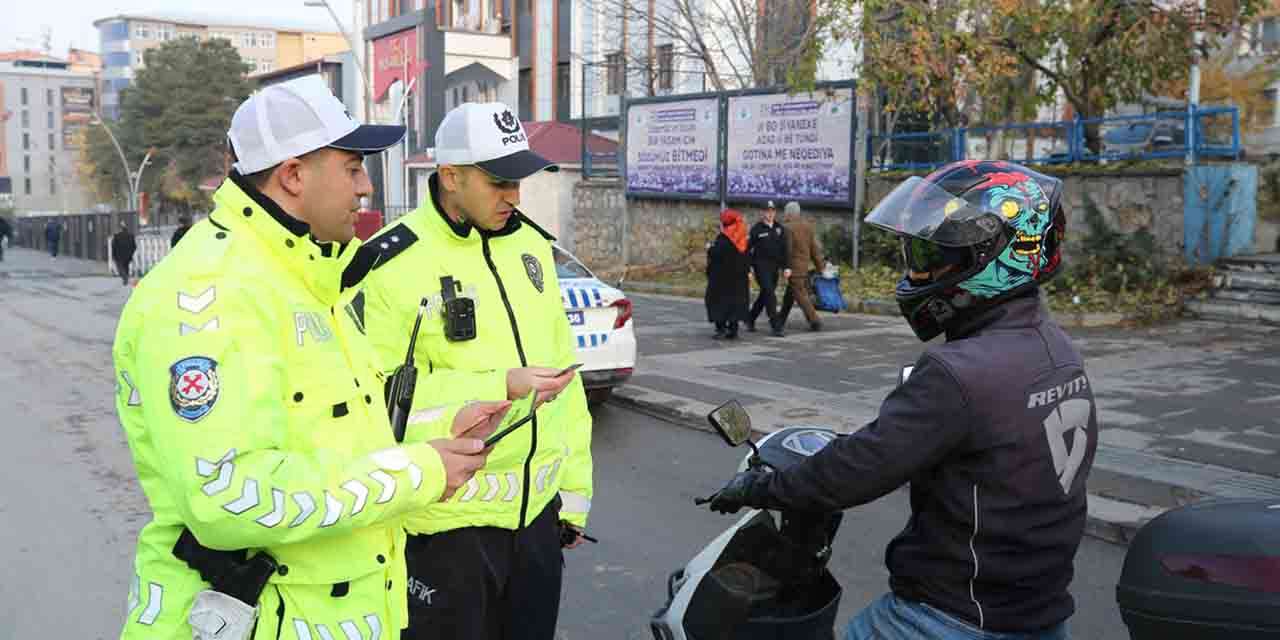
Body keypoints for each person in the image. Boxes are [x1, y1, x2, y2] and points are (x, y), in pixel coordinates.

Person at [112, 75, 510, 640]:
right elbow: (228, 494)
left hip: (328, 614)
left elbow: (330, 437)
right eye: (351, 168)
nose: (366, 187)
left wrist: (436, 440)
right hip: (258, 618)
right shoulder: (212, 294)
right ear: (293, 174)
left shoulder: (305, 278)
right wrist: (417, 472)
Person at [708, 161, 1097, 640]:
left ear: (991, 257)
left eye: (935, 255)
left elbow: (857, 471)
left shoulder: (960, 373)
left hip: (951, 618)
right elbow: (947, 442)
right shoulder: (1055, 349)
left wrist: (760, 489)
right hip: (1038, 612)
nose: (919, 271)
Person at [359, 101, 591, 640]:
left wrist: (574, 495)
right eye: (498, 181)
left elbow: (566, 381)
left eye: (520, 180)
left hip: (536, 524)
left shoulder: (531, 247)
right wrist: (495, 386)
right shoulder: (389, 264)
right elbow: (373, 401)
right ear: (450, 177)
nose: (514, 195)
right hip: (446, 532)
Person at [774, 201, 825, 335]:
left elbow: (787, 250)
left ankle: (815, 320)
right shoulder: (808, 227)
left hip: (793, 268)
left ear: (789, 213)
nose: (784, 215)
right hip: (804, 268)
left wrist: (784, 267)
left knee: (801, 295)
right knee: (790, 295)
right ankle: (780, 319)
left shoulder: (787, 228)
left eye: (785, 213)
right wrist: (821, 267)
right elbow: (815, 250)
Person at [705, 208, 751, 340]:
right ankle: (733, 329)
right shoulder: (742, 237)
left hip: (721, 280)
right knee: (735, 303)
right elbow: (747, 257)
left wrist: (709, 248)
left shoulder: (724, 238)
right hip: (739, 280)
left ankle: (721, 329)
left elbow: (716, 254)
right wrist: (748, 271)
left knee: (717, 302)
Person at [746, 201, 787, 334]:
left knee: (765, 295)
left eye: (772, 211)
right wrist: (749, 268)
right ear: (763, 213)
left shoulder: (779, 228)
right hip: (761, 267)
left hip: (774, 267)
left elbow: (784, 250)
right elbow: (747, 250)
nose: (770, 214)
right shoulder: (756, 229)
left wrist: (786, 267)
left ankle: (750, 318)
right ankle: (776, 325)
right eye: (767, 211)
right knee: (770, 293)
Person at [111, 221, 137, 286]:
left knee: (120, 267)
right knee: (126, 266)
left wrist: (113, 255)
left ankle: (125, 278)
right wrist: (131, 252)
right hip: (128, 255)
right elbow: (134, 246)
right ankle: (126, 277)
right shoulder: (131, 236)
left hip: (118, 255)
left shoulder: (116, 236)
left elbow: (113, 246)